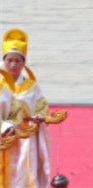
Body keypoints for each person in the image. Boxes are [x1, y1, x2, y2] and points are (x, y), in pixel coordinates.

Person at [3, 29, 52, 188]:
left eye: (18, 60)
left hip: (25, 139)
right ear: (4, 61)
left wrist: (39, 117)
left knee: (24, 175)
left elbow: (41, 106)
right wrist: (6, 126)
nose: (13, 65)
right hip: (4, 136)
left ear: (24, 62)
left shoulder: (31, 86)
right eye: (9, 60)